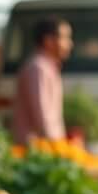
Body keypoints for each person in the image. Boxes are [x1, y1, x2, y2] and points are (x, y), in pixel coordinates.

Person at [12, 16, 73, 144]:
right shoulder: (38, 69)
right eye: (65, 38)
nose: (70, 44)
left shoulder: (47, 67)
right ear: (48, 41)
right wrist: (56, 148)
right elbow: (42, 117)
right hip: (39, 150)